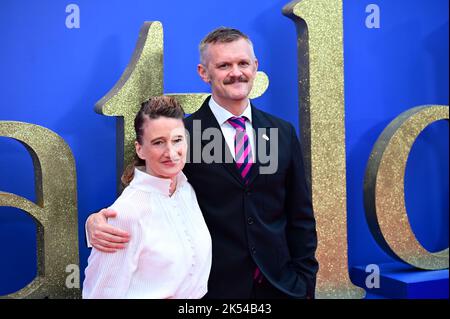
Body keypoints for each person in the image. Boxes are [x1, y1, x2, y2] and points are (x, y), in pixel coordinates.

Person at [86, 27, 318, 299]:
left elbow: (300, 216)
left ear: (255, 67)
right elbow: (151, 196)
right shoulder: (182, 136)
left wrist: (304, 284)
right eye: (223, 65)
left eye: (243, 63)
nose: (236, 72)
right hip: (215, 291)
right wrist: (97, 221)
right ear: (204, 73)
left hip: (282, 288)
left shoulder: (281, 132)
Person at [82, 96, 212, 298]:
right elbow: (99, 294)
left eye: (177, 140)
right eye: (158, 142)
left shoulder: (186, 188)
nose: (171, 153)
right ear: (139, 149)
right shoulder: (126, 213)